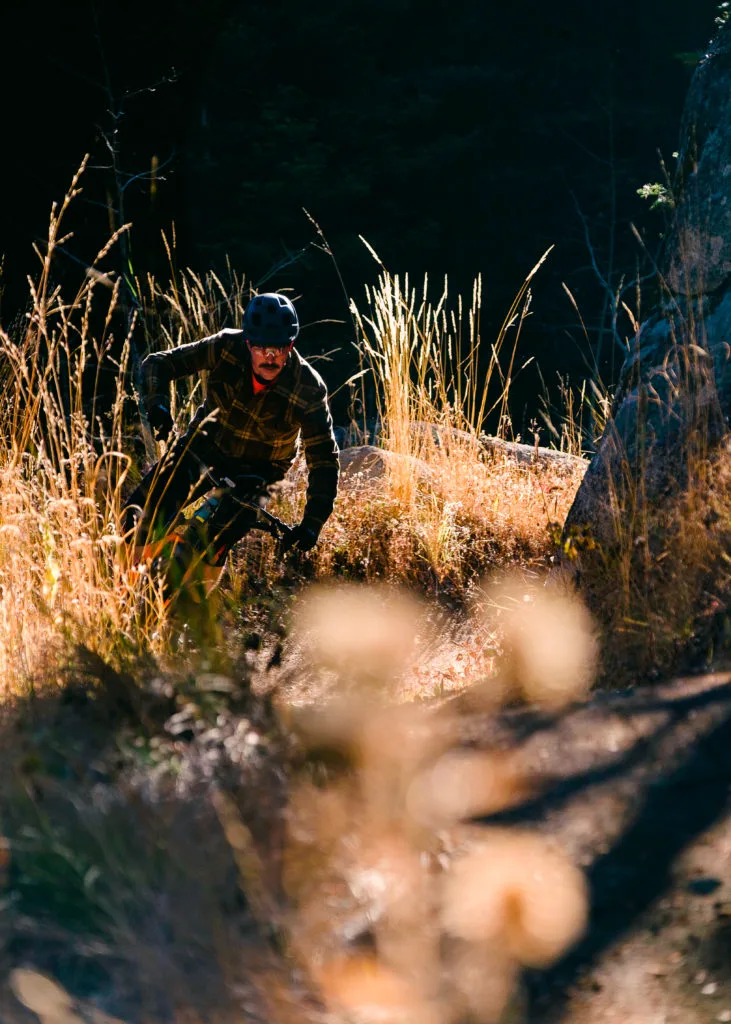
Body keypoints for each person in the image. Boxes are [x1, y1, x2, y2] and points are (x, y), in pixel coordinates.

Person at [123, 292, 339, 581]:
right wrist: (157, 405)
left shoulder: (309, 389)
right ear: (248, 343)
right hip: (205, 445)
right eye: (262, 348)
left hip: (261, 471)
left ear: (291, 346)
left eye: (279, 348)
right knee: (136, 516)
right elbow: (158, 363)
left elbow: (324, 460)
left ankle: (188, 606)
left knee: (213, 541)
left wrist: (312, 523)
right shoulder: (225, 346)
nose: (270, 357)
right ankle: (130, 594)